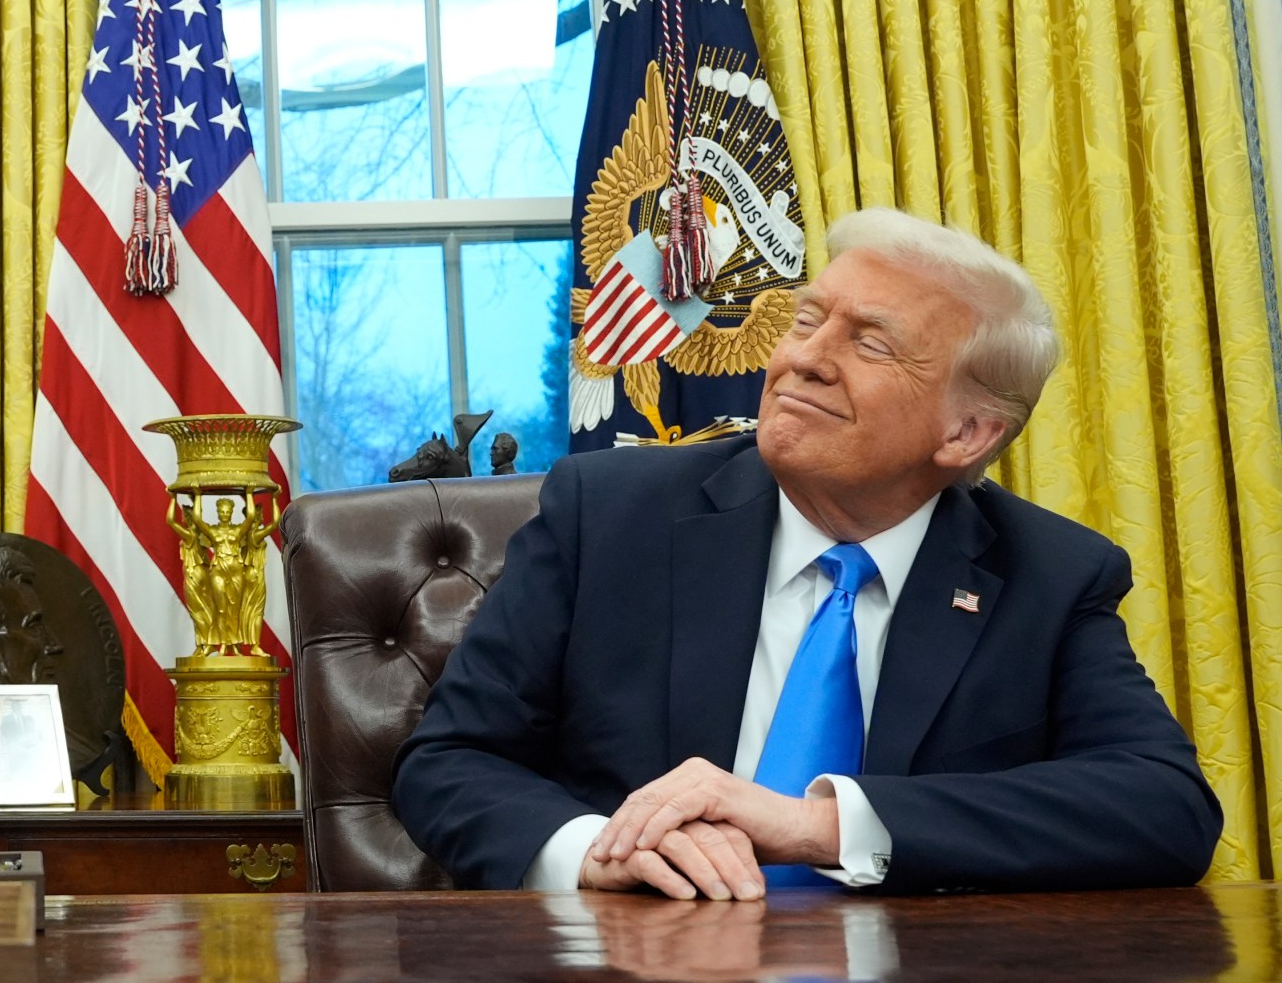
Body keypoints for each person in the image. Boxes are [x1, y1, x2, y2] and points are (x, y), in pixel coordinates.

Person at [392, 208, 1219, 897]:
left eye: (871, 343)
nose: (803, 361)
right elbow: (450, 761)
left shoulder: (1048, 576)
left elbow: (1166, 807)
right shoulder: (608, 518)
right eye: (808, 320)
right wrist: (603, 851)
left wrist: (820, 825)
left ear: (967, 433)